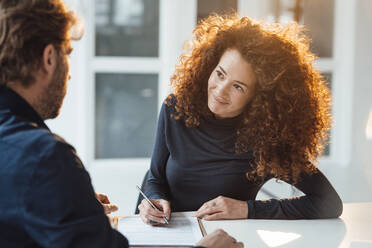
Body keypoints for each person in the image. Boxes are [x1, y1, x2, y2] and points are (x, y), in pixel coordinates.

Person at [0, 1, 242, 247]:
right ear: (49, 58)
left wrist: (64, 202)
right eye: (68, 54)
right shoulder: (44, 158)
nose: (70, 73)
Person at [138, 13, 343, 224]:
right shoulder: (176, 108)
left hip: (227, 240)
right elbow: (155, 177)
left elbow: (329, 202)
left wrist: (247, 209)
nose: (220, 90)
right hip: (164, 232)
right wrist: (153, 200)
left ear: (259, 98)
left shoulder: (268, 139)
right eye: (220, 74)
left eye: (238, 86)